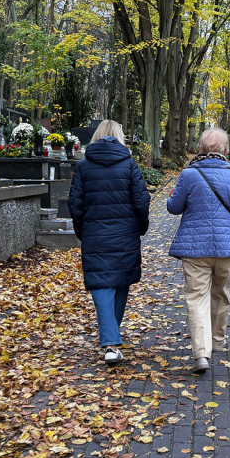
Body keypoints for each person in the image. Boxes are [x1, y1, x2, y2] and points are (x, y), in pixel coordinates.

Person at [167, 127, 230, 374]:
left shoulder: (188, 174)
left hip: (195, 249)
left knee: (197, 297)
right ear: (227, 151)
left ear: (200, 149)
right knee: (221, 293)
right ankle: (217, 341)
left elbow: (173, 208)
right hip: (228, 248)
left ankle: (201, 353)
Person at [68, 120, 150, 366]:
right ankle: (111, 343)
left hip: (95, 235)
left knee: (102, 284)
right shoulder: (129, 165)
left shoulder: (83, 167)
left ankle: (111, 342)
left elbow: (75, 204)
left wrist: (83, 231)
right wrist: (140, 228)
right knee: (120, 282)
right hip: (124, 235)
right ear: (119, 137)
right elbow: (141, 201)